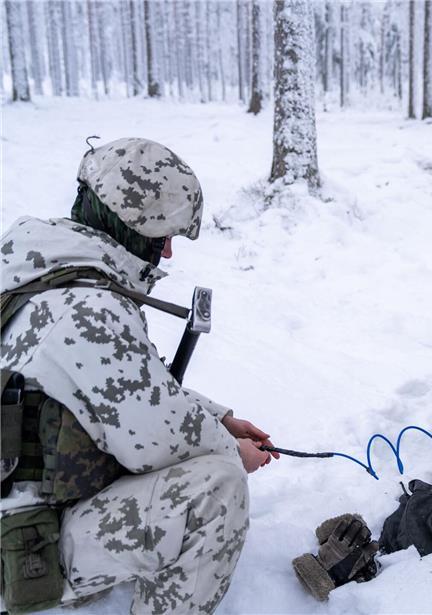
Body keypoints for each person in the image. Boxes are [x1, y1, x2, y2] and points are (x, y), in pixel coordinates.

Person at [0, 138, 275, 614]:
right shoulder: (88, 309)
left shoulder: (38, 268)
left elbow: (116, 391)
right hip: (21, 550)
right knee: (215, 488)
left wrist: (219, 417)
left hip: (20, 512)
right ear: (129, 225)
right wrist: (233, 448)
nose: (167, 252)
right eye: (162, 235)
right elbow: (157, 440)